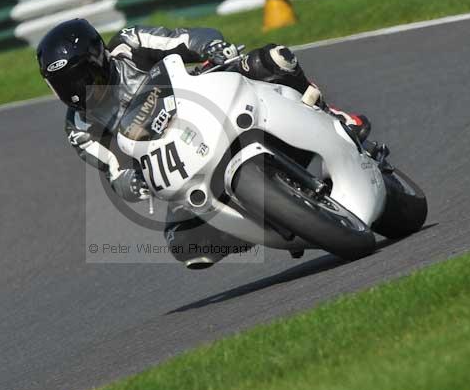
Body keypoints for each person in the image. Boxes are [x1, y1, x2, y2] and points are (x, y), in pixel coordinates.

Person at [37, 19, 371, 269]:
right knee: (186, 246)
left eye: (80, 76)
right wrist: (132, 182)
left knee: (272, 59)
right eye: (63, 84)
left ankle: (334, 115)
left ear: (100, 57)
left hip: (209, 103)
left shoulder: (131, 43)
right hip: (180, 164)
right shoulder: (79, 128)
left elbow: (187, 38)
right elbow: (115, 170)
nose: (76, 89)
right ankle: (278, 222)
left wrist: (213, 50)